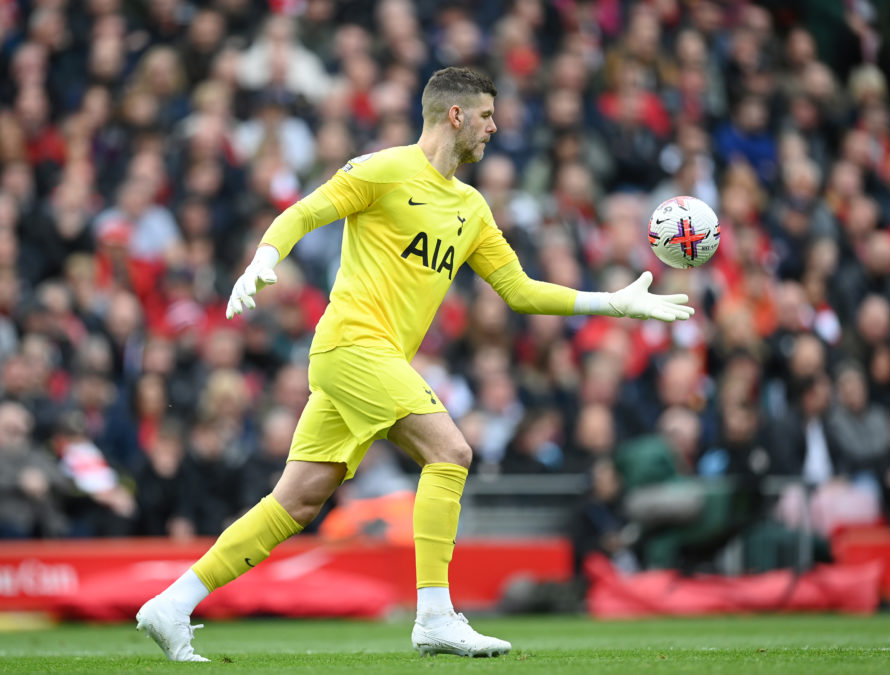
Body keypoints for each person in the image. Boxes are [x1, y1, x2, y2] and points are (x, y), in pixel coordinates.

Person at [136, 67, 694, 661]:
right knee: (450, 452)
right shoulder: (381, 169)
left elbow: (520, 290)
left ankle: (172, 604)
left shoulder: (471, 207)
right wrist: (263, 261)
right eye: (485, 116)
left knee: (297, 500)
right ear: (455, 115)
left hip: (364, 363)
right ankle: (434, 614)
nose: (494, 127)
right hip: (351, 346)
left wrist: (615, 303)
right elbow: (302, 212)